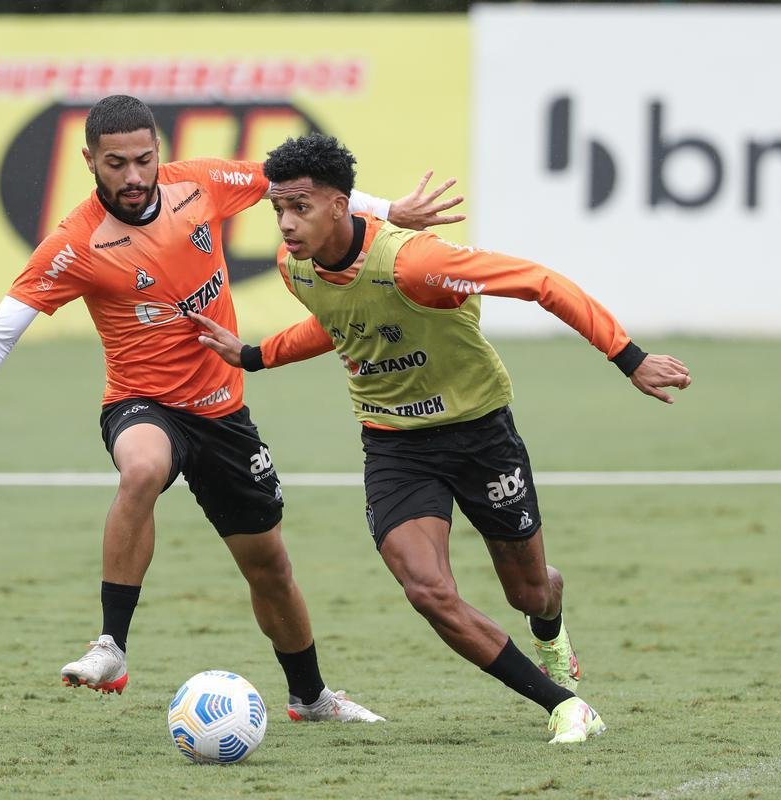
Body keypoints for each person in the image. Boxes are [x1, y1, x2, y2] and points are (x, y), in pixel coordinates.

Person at [0, 96, 464, 723]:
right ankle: (111, 646)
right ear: (89, 160)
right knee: (142, 468)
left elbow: (295, 186)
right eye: (115, 164)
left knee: (269, 567)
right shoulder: (75, 243)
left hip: (223, 411)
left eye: (144, 160)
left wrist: (391, 212)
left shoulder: (198, 184)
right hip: (140, 403)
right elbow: (1, 331)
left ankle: (310, 699)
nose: (133, 177)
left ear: (158, 153)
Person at [191, 133, 692, 743]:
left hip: (480, 433)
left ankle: (551, 629)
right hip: (395, 443)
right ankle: (563, 705)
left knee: (530, 590)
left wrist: (629, 357)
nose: (287, 224)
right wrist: (254, 355)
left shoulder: (416, 262)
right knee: (427, 589)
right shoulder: (293, 266)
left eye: (301, 207)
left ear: (343, 205)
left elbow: (538, 280)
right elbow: (342, 324)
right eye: (278, 210)